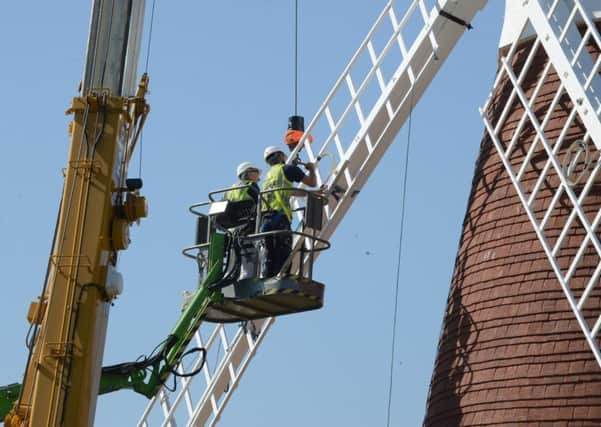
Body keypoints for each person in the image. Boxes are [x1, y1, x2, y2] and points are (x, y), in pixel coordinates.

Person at [260, 146, 317, 278]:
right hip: (280, 219)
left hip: (265, 219)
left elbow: (289, 191)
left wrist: (312, 194)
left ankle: (267, 282)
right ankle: (281, 280)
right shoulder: (288, 169)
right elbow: (312, 182)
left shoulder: (269, 176)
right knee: (283, 254)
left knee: (270, 254)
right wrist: (312, 169)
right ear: (280, 155)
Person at [224, 161, 261, 280]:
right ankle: (246, 276)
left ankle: (229, 275)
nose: (258, 176)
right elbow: (260, 204)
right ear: (248, 173)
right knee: (247, 250)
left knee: (233, 252)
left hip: (231, 228)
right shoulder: (251, 187)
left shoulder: (231, 189)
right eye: (256, 172)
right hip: (247, 226)